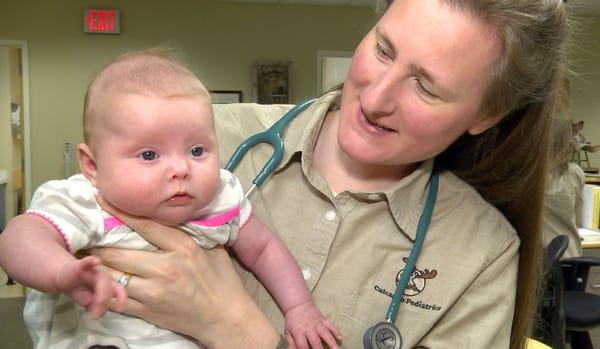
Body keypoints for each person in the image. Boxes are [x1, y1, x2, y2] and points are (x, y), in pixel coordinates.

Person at [8, 0, 572, 347]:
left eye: (425, 86)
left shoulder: (481, 254)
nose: (375, 98)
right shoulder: (206, 137)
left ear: (486, 115)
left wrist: (242, 332)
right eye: (381, 49)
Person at [0, 50, 341, 349]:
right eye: (149, 155)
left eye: (196, 150)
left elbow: (265, 249)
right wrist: (62, 272)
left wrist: (299, 309)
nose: (180, 169)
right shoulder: (84, 200)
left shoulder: (221, 196)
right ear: (92, 166)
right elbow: (18, 239)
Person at [543, 117, 585, 259]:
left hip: (541, 259)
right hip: (571, 254)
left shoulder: (531, 175)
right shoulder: (576, 172)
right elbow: (578, 219)